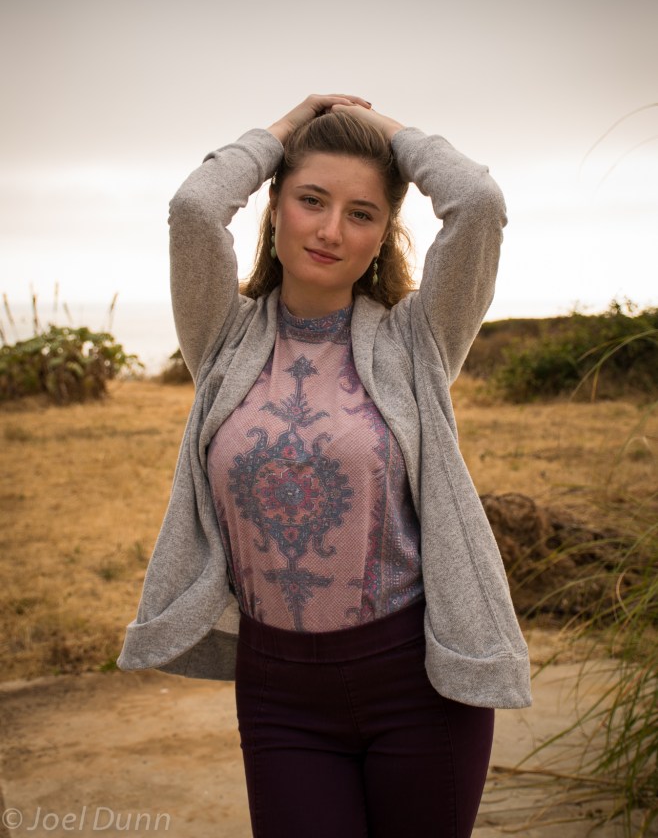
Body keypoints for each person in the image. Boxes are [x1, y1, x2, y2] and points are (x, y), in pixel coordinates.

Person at [117, 93, 531, 838]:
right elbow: (191, 209)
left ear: (383, 235)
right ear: (275, 207)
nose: (332, 230)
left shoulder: (417, 341)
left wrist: (391, 133)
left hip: (418, 684)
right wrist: (283, 129)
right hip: (280, 692)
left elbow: (478, 202)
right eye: (312, 200)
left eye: (362, 213)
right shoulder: (222, 338)